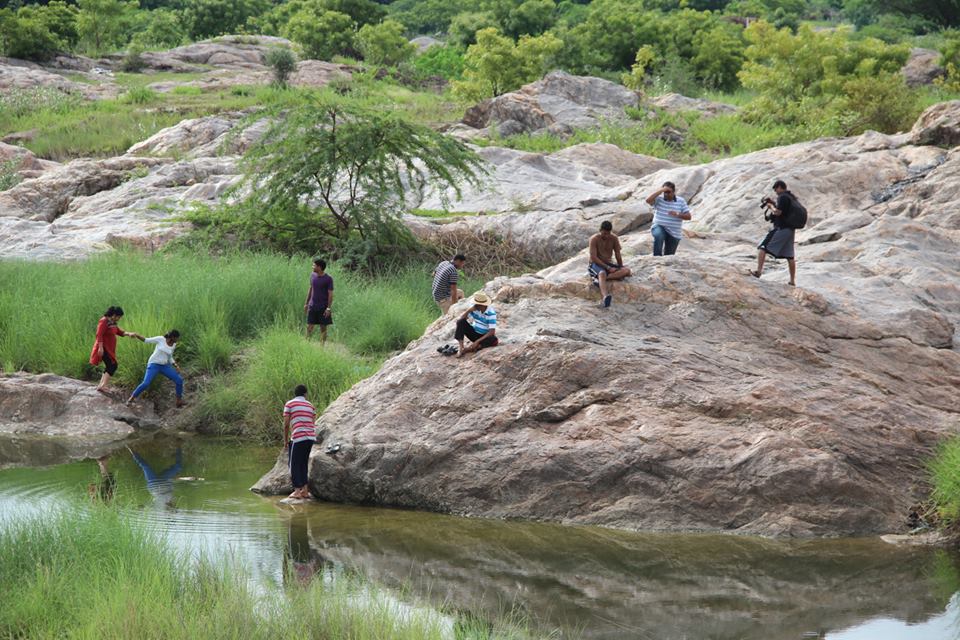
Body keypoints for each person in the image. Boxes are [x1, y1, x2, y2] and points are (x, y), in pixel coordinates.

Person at [752, 179, 798, 286]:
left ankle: (758, 271)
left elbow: (777, 212)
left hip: (781, 228)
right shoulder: (792, 198)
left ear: (780, 187)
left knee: (763, 247)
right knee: (790, 256)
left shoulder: (783, 197)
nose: (776, 192)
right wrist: (774, 205)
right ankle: (792, 281)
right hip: (790, 230)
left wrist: (770, 206)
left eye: (775, 189)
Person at [89, 306, 142, 397]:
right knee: (113, 365)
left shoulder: (112, 323)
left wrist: (129, 334)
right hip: (104, 347)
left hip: (109, 348)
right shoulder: (104, 321)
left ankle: (101, 385)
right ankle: (102, 386)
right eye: (119, 317)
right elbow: (99, 335)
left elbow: (119, 332)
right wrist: (100, 348)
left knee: (110, 365)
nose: (119, 319)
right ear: (114, 315)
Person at [126, 330, 184, 407]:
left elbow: (169, 357)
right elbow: (146, 340)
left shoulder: (173, 345)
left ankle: (178, 401)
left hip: (164, 366)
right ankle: (131, 398)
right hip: (154, 364)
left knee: (179, 380)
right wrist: (136, 335)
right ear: (172, 337)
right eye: (176, 338)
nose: (177, 340)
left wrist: (176, 365)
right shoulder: (161, 339)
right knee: (146, 383)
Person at [283, 384, 317, 500]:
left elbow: (286, 424)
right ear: (305, 394)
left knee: (293, 464)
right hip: (310, 438)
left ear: (295, 393)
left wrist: (285, 440)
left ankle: (297, 491)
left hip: (298, 437)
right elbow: (313, 422)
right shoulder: (310, 405)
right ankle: (305, 491)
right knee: (303, 463)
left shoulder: (290, 404)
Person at [587, 221, 632, 308]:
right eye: (604, 233)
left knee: (627, 271)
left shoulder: (614, 238)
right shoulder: (594, 239)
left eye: (608, 233)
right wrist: (607, 267)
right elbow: (593, 257)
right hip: (596, 263)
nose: (606, 236)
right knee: (602, 273)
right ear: (600, 230)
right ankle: (605, 297)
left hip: (608, 263)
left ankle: (600, 280)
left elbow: (617, 254)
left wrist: (620, 266)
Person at [646, 181, 692, 256]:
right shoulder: (659, 199)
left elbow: (689, 217)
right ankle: (657, 257)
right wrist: (661, 190)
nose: (666, 194)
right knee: (658, 235)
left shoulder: (681, 201)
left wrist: (677, 214)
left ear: (674, 192)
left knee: (669, 255)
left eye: (669, 192)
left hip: (674, 232)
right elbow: (648, 200)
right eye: (665, 192)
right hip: (659, 225)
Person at [455, 292, 499, 357]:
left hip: (484, 336)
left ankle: (469, 349)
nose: (475, 305)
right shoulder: (474, 309)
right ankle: (461, 348)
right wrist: (469, 310)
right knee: (460, 322)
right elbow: (461, 319)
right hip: (474, 333)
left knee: (494, 340)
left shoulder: (491, 313)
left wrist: (477, 341)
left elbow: (492, 332)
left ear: (482, 305)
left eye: (476, 304)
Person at [304, 258, 334, 343]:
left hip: (323, 307)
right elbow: (310, 289)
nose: (312, 267)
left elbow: (330, 294)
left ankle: (322, 347)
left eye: (314, 265)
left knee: (323, 328)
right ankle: (306, 344)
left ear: (319, 267)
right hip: (312, 306)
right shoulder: (312, 275)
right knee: (309, 326)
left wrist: (328, 308)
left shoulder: (328, 279)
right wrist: (306, 303)